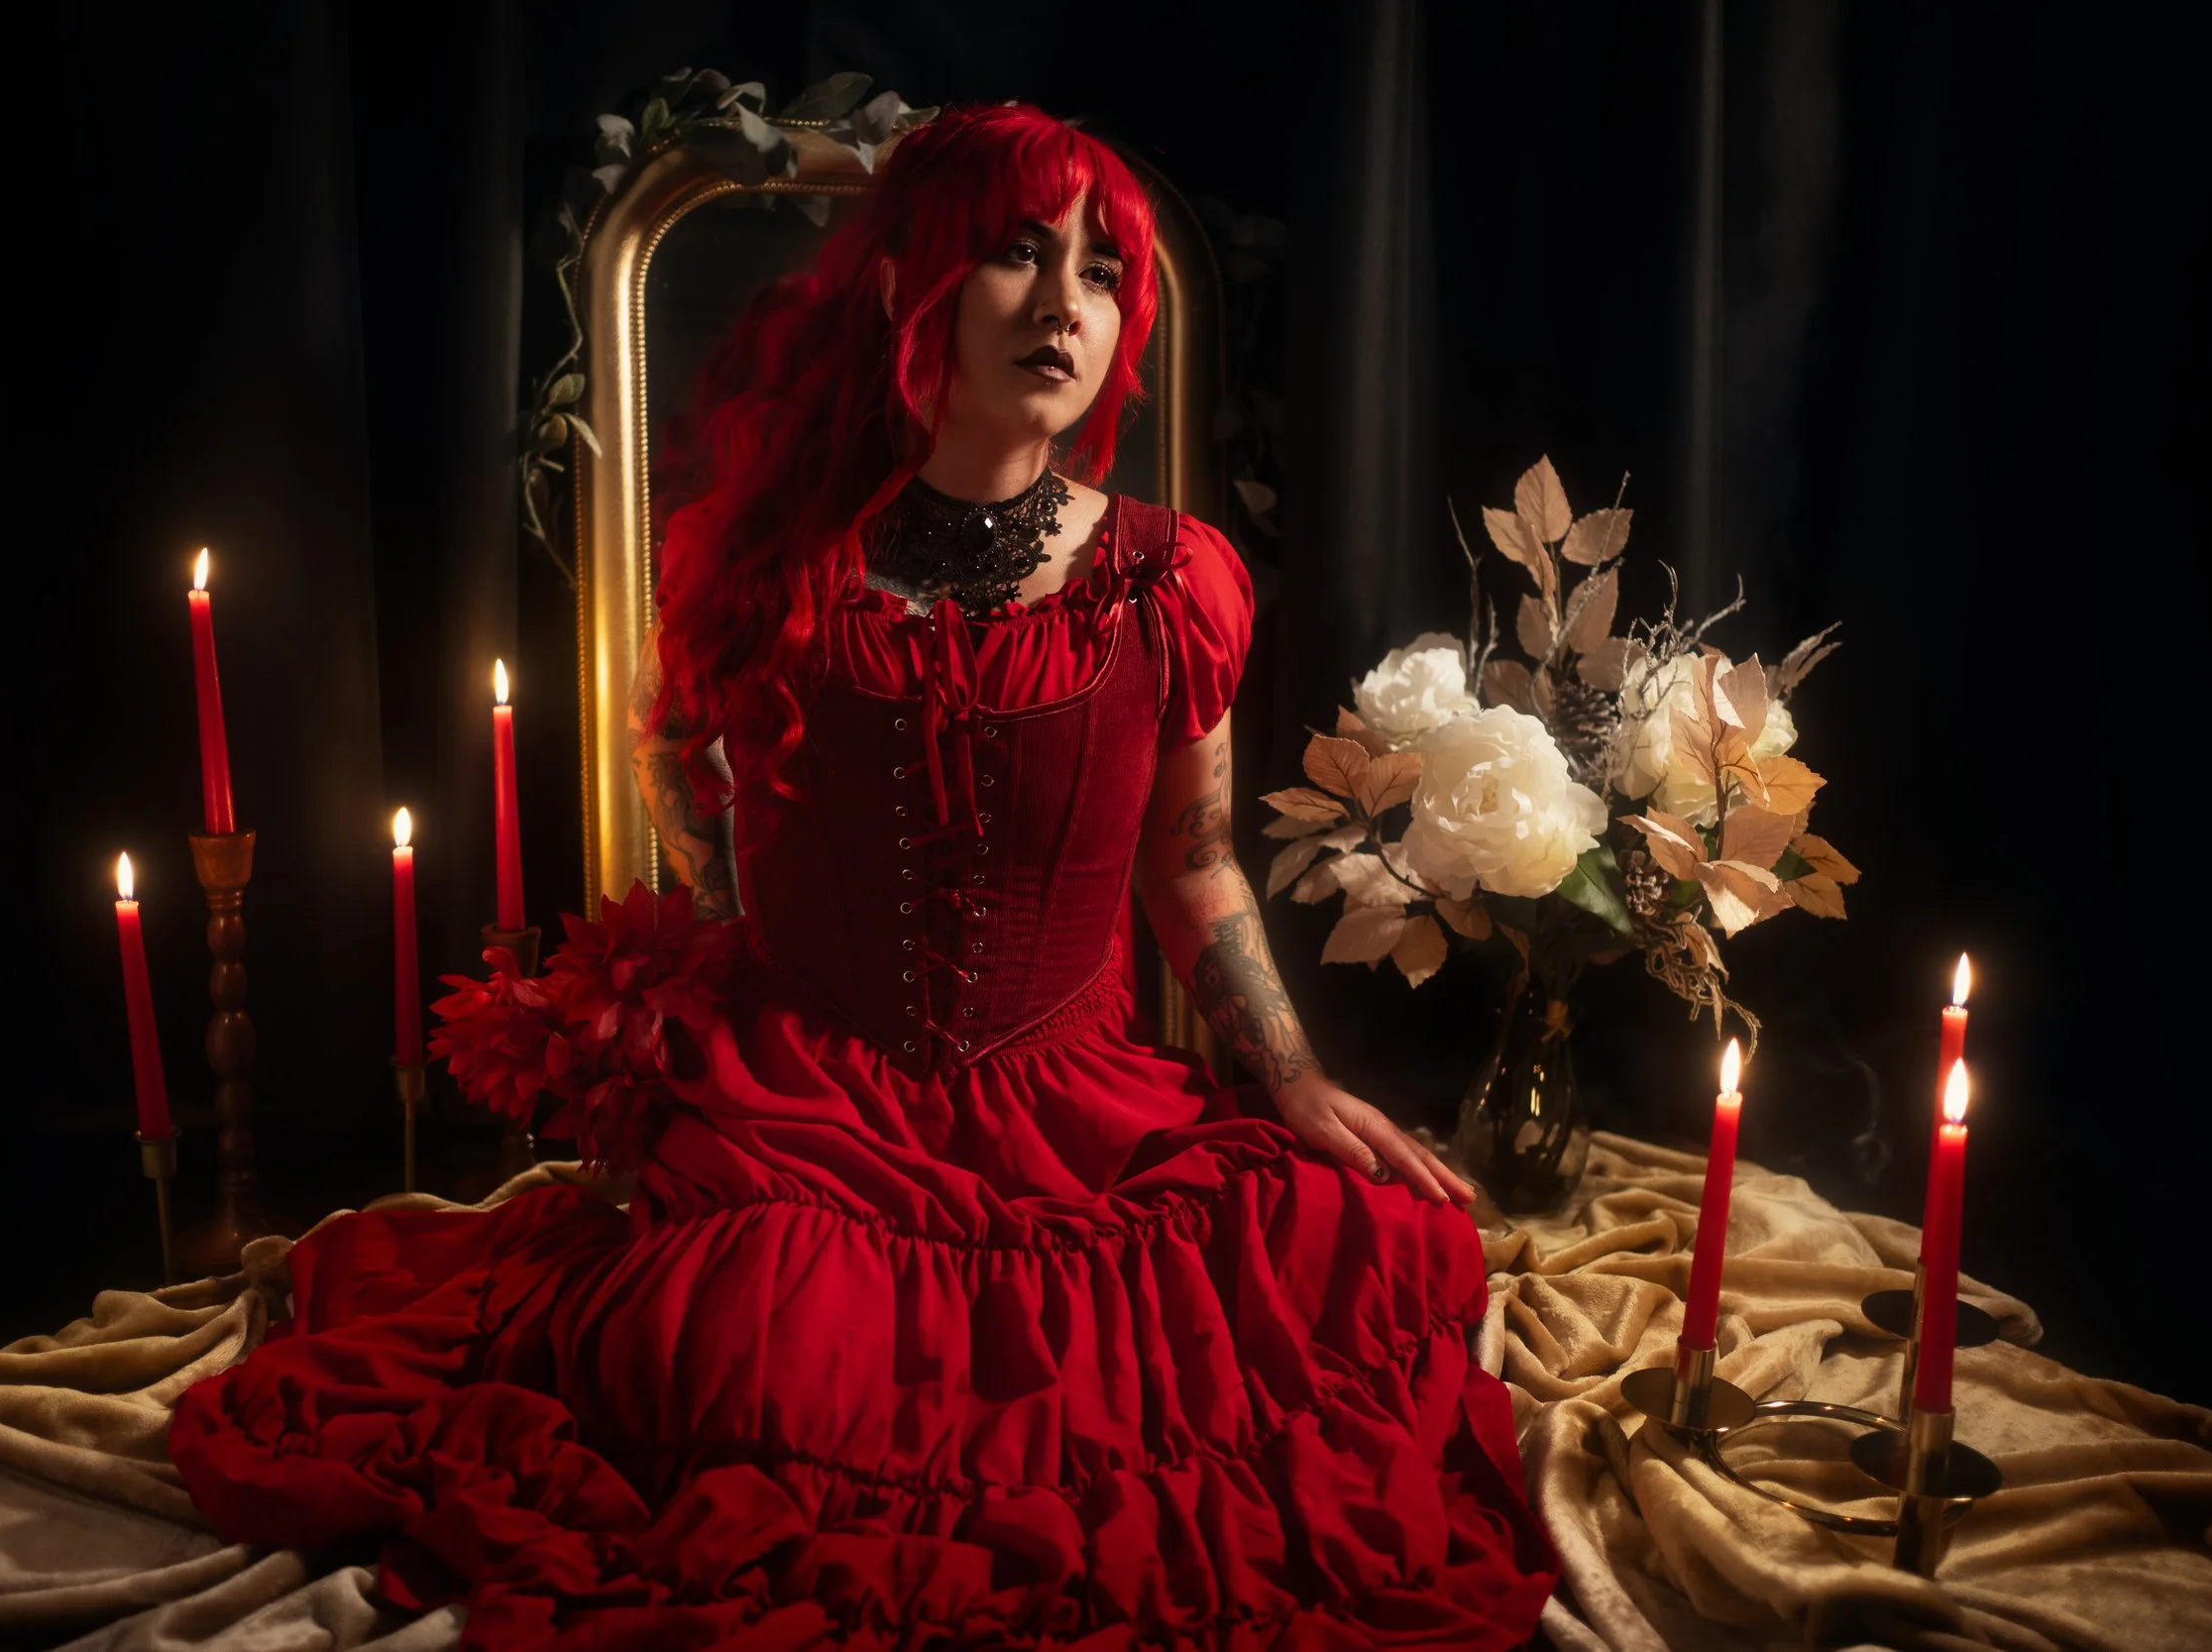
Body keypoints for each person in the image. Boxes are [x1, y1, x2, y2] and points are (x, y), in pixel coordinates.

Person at [169, 102, 1557, 1649]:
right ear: (915, 284)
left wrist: (1288, 1074)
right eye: (1017, 253)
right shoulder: (770, 563)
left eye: (1101, 272)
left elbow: (1200, 863)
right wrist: (685, 1017)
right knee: (743, 1358)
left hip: (1077, 1103)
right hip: (806, 1106)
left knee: (1357, 1248)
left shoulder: (1171, 578)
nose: (1064, 304)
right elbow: (692, 812)